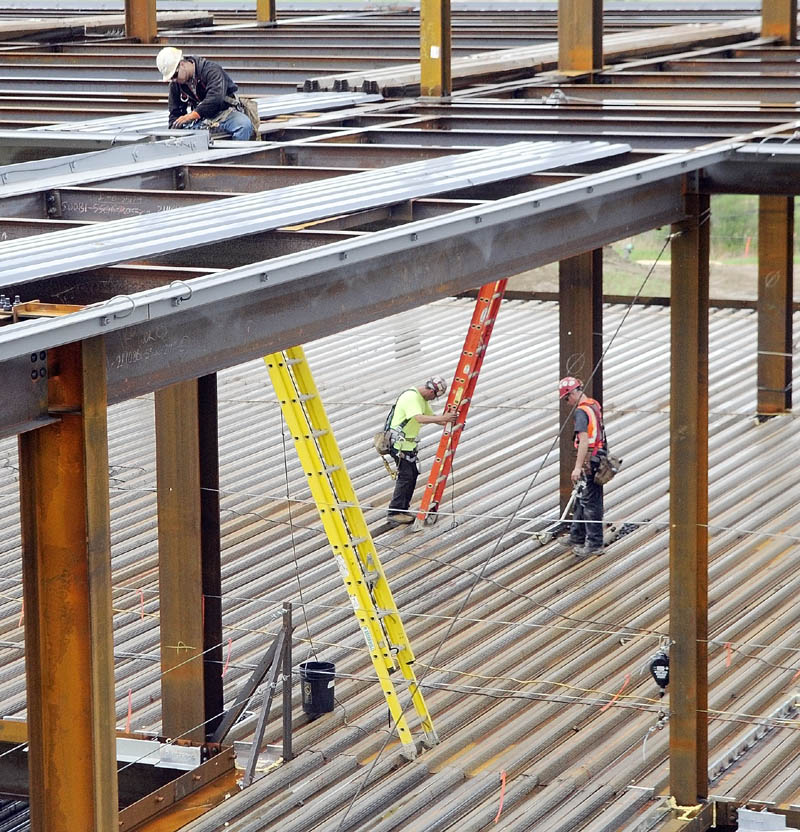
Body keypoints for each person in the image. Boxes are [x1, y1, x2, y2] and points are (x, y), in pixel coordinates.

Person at [387, 377, 456, 526]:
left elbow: (435, 419)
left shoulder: (422, 401)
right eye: (435, 396)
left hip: (407, 446)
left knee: (411, 476)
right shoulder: (411, 397)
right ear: (431, 391)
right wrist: (444, 418)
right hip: (399, 445)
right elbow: (419, 418)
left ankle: (402, 510)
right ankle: (395, 511)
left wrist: (450, 419)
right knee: (405, 477)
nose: (433, 399)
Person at [156, 47, 255, 141]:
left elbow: (215, 99)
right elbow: (175, 113)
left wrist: (191, 116)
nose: (174, 80)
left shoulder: (211, 71)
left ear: (182, 64)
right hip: (202, 119)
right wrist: (174, 132)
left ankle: (236, 157)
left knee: (243, 125)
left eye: (175, 75)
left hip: (225, 114)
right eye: (171, 78)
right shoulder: (176, 84)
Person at [559, 376, 606, 557]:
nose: (567, 402)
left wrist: (578, 467)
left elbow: (585, 440)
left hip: (590, 459)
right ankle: (577, 535)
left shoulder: (581, 412)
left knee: (590, 502)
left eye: (566, 398)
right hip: (598, 456)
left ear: (572, 393)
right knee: (580, 496)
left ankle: (594, 544)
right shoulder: (593, 405)